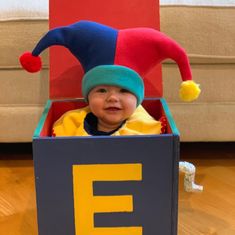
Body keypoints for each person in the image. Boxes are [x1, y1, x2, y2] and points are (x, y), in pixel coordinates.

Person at [19, 20, 201, 136]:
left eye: (123, 90)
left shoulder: (146, 128)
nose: (112, 97)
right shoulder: (71, 125)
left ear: (138, 100)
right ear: (87, 96)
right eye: (101, 90)